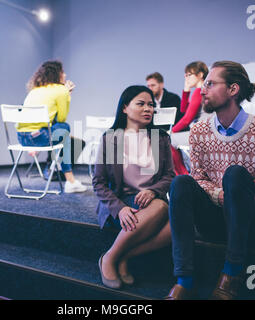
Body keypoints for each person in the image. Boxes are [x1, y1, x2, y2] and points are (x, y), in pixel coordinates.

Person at [165, 61, 255, 300]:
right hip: (213, 221)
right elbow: (198, 178)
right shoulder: (199, 131)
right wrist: (220, 195)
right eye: (204, 84)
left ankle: (231, 274)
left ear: (233, 90)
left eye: (210, 84)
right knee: (180, 183)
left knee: (236, 173)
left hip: (251, 224)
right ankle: (184, 280)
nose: (203, 90)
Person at [92, 85, 175, 289]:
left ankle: (114, 256)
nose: (148, 109)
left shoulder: (160, 138)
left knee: (179, 226)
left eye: (151, 105)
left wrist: (153, 190)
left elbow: (169, 176)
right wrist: (119, 209)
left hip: (152, 201)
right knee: (162, 209)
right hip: (120, 201)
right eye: (141, 104)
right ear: (125, 108)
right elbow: (99, 182)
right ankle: (113, 260)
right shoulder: (112, 139)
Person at [18, 60, 87, 193]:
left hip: (22, 138)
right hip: (40, 137)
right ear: (57, 75)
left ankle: (67, 178)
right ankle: (70, 180)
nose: (65, 74)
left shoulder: (35, 90)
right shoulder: (61, 90)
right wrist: (67, 95)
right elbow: (61, 119)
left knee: (61, 135)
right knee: (64, 128)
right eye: (62, 72)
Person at [170, 61, 208, 175]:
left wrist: (171, 132)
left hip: (202, 134)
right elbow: (183, 110)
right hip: (205, 133)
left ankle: (183, 174)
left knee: (168, 140)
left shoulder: (199, 91)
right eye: (185, 75)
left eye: (189, 74)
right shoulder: (203, 90)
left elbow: (187, 119)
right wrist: (186, 90)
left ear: (200, 75)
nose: (186, 78)